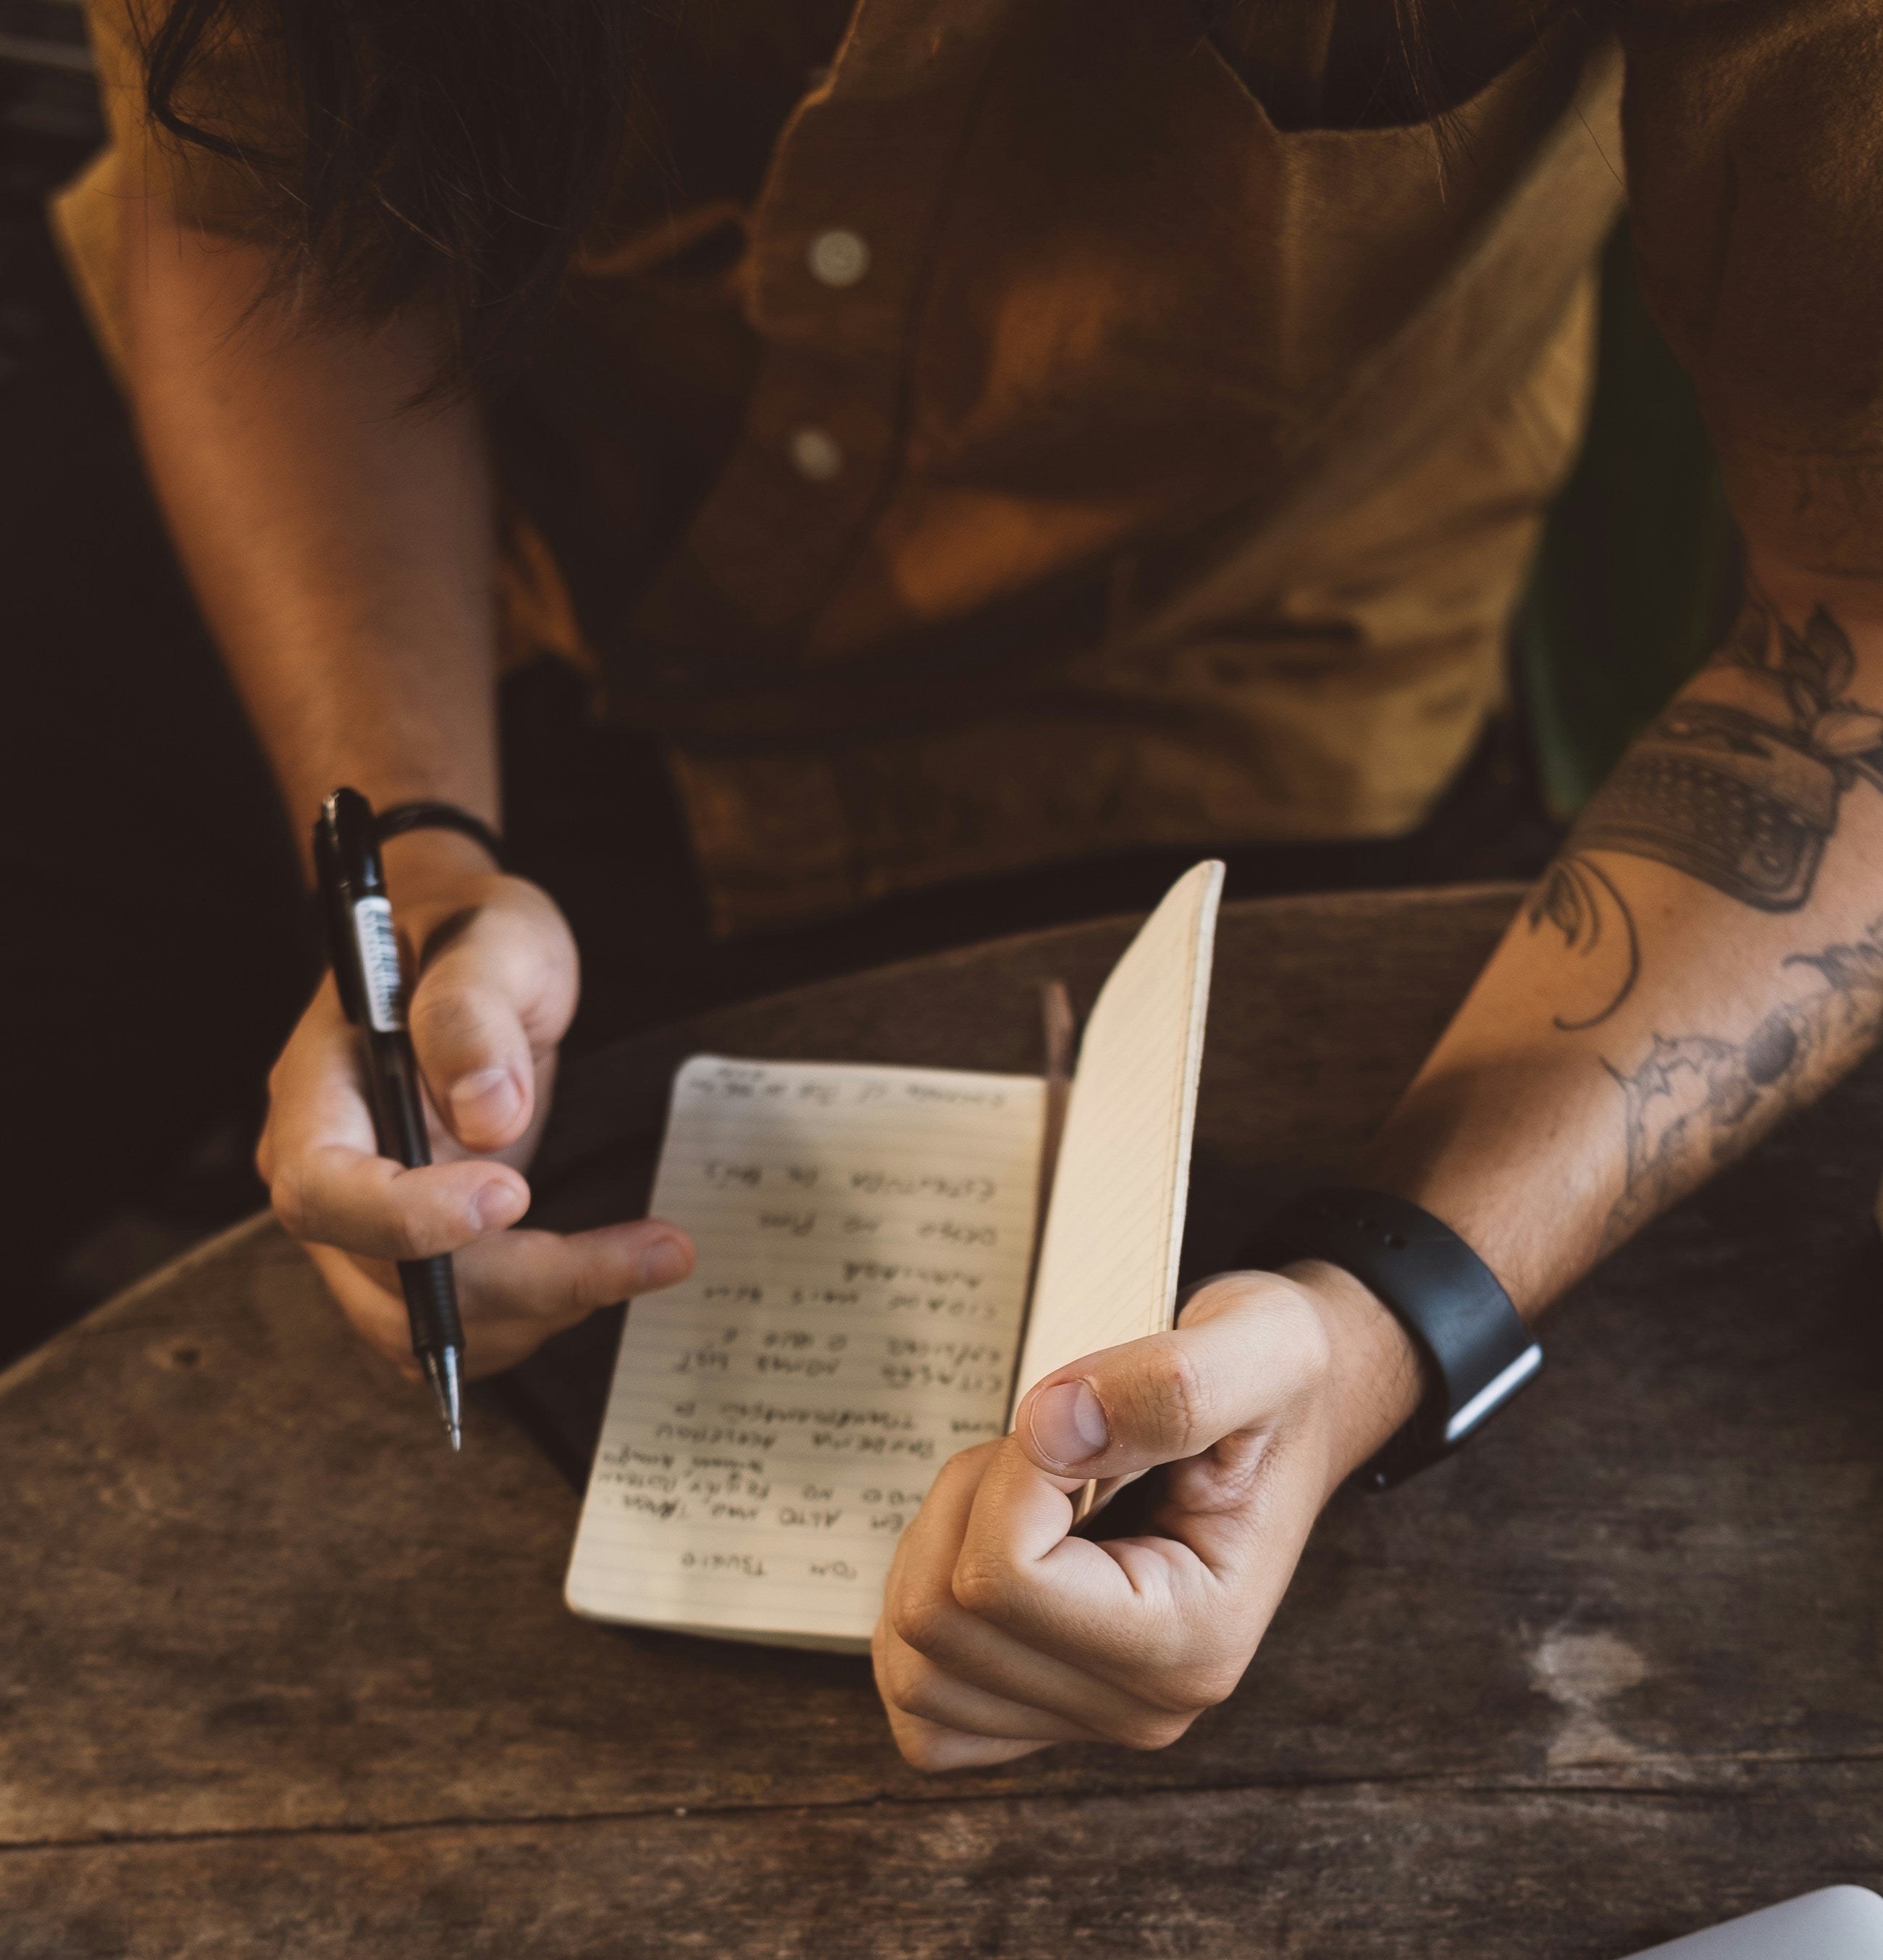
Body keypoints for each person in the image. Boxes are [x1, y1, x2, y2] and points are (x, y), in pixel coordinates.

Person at [44, 0, 1883, 1765]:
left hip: (1243, 708)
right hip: (460, 611)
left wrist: (1383, 1328)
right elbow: (269, 213)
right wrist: (427, 856)